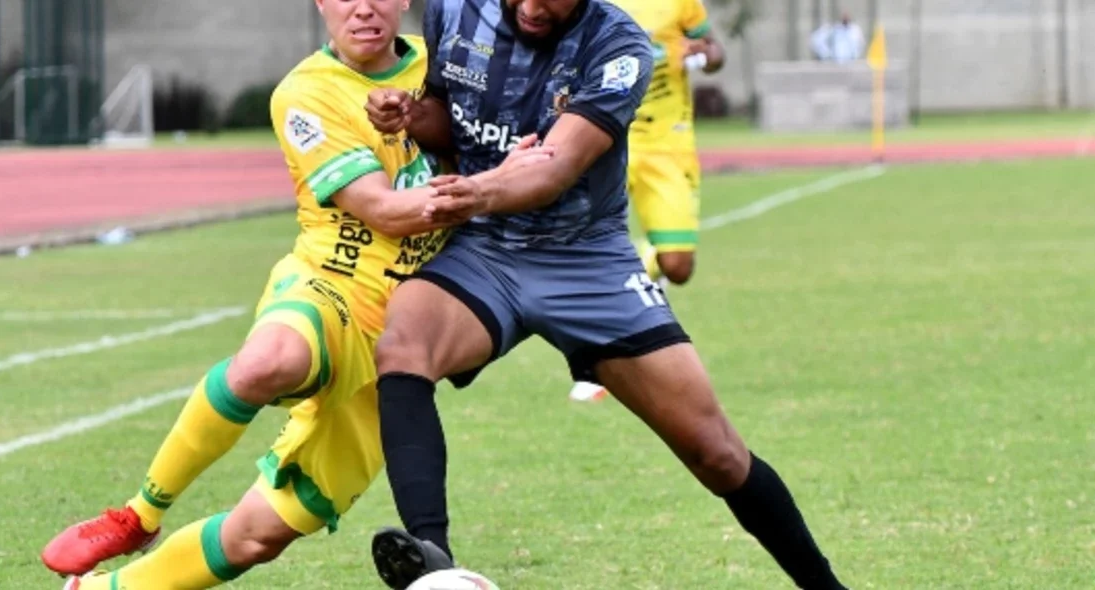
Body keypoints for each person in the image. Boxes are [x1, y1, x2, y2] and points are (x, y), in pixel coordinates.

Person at [41, 1, 551, 588]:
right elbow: (385, 211)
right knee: (269, 361)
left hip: (403, 343)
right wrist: (495, 183)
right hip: (328, 286)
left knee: (256, 537)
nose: (364, 8)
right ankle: (138, 515)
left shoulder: (450, 67)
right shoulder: (305, 94)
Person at [362, 1, 849, 589]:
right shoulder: (452, 11)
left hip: (586, 260)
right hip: (487, 252)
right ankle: (433, 563)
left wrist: (477, 190)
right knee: (404, 342)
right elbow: (450, 115)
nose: (536, 9)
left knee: (715, 453)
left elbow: (556, 167)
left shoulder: (619, 44)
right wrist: (413, 115)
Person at [567, 0, 725, 403]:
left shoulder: (680, 3)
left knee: (678, 264)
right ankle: (593, 364)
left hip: (667, 146)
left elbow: (715, 50)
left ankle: (644, 265)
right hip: (604, 139)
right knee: (584, 253)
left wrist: (705, 54)